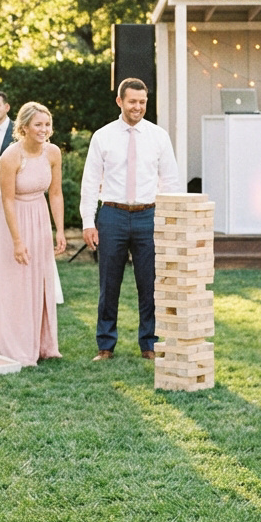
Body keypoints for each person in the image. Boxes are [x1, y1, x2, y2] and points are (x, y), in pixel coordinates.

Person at [80, 78, 182, 360]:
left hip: (148, 215)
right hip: (111, 214)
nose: (138, 107)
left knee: (149, 283)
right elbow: (90, 182)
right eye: (132, 102)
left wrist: (170, 221)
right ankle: (105, 345)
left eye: (142, 102)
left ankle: (149, 344)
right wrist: (89, 221)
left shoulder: (159, 136)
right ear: (120, 102)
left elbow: (171, 181)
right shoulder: (102, 136)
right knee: (109, 283)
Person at [0, 102, 67, 366]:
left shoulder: (53, 153)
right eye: (38, 125)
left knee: (38, 280)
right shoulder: (11, 156)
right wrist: (17, 241)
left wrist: (60, 230)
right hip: (12, 220)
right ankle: (14, 345)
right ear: (25, 128)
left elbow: (55, 193)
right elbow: (7, 199)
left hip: (39, 217)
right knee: (15, 283)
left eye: (47, 124)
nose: (44, 129)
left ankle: (41, 344)